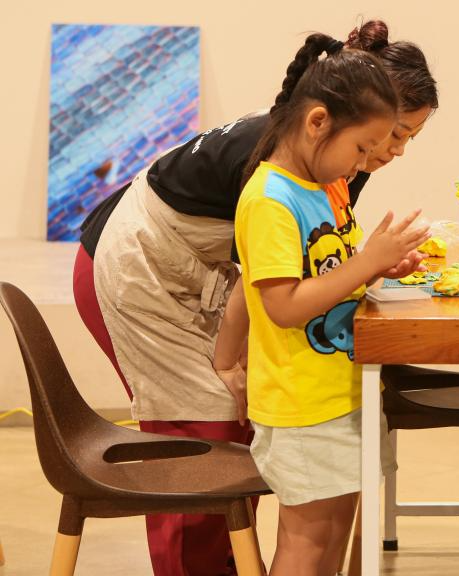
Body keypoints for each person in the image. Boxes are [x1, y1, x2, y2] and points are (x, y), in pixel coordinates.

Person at [71, 21, 438, 576]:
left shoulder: (327, 157)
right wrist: (229, 356)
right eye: (391, 136)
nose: (394, 152)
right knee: (204, 435)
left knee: (242, 434)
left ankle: (234, 561)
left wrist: (370, 265)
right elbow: (274, 286)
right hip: (138, 269)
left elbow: (302, 262)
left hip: (201, 272)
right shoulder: (278, 177)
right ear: (333, 116)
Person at [229, 39, 429, 575]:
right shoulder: (271, 199)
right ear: (318, 122)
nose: (365, 163)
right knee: (307, 542)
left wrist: (379, 268)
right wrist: (366, 263)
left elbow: (329, 274)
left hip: (341, 392)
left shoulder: (323, 186)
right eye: (362, 148)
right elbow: (284, 306)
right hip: (302, 404)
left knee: (336, 535)